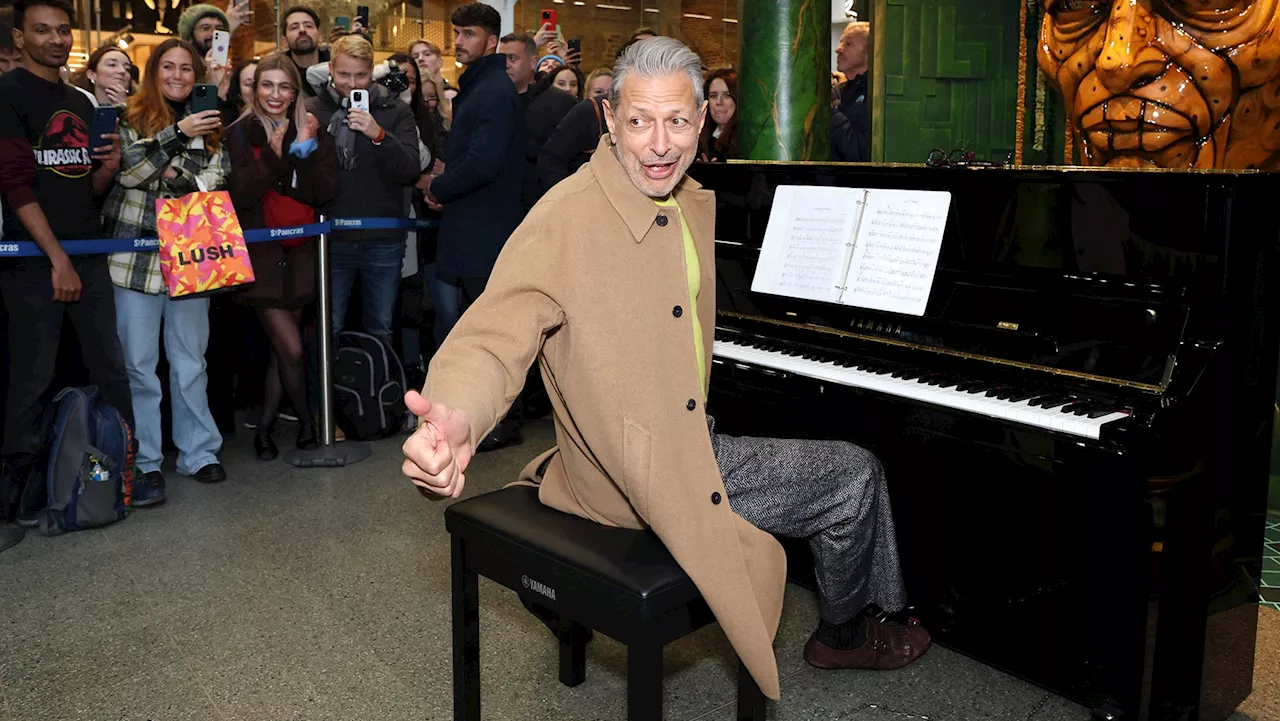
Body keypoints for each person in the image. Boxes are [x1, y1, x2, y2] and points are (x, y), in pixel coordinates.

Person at [402, 36, 931, 703]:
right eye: (639, 121)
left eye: (677, 121)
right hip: (647, 478)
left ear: (702, 121)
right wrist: (453, 417)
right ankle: (846, 632)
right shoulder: (565, 217)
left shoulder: (684, 200)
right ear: (610, 119)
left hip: (629, 451)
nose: (659, 143)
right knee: (856, 473)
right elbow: (493, 335)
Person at [0, 0, 130, 548]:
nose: (55, 39)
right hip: (34, 260)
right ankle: (13, 503)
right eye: (42, 30)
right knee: (31, 379)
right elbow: (14, 184)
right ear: (19, 36)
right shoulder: (8, 93)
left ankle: (112, 483)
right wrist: (57, 260)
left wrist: (108, 169)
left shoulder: (80, 99)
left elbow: (85, 189)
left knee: (111, 370)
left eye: (62, 30)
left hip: (87, 252)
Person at [104, 38, 230, 498]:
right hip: (134, 263)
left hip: (192, 261)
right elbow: (129, 172)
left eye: (186, 69)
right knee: (139, 366)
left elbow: (212, 187)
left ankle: (200, 452)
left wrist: (168, 170)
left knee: (190, 363)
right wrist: (178, 138)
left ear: (198, 76)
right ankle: (148, 460)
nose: (177, 76)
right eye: (168, 67)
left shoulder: (213, 127)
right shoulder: (126, 119)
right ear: (154, 72)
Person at [418, 2, 524, 449]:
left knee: (493, 335)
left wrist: (440, 186)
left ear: (492, 40)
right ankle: (489, 419)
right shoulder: (482, 86)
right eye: (457, 33)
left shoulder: (494, 89)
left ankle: (504, 422)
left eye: (469, 34)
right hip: (477, 228)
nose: (459, 41)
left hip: (487, 233)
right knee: (479, 331)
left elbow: (484, 162)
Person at [226, 53, 338, 458]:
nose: (275, 94)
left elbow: (324, 191)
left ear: (295, 92)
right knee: (291, 349)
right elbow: (239, 195)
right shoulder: (240, 132)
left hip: (302, 256)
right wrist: (275, 153)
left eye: (284, 86)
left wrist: (303, 153)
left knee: (281, 350)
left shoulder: (311, 128)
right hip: (260, 258)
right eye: (266, 85)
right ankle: (309, 423)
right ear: (255, 89)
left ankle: (266, 429)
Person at [307, 34, 420, 346]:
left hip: (383, 240)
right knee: (328, 328)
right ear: (330, 68)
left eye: (361, 75)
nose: (352, 83)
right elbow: (299, 174)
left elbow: (409, 168)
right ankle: (329, 394)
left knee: (381, 330)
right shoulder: (313, 109)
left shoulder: (395, 110)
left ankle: (376, 394)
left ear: (373, 71)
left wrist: (379, 135)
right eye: (343, 74)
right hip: (329, 238)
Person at [831, 21, 870, 162]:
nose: (838, 49)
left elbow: (858, 152)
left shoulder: (874, 95)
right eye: (841, 42)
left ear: (868, 52)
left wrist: (832, 111)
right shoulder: (840, 91)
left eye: (848, 44)